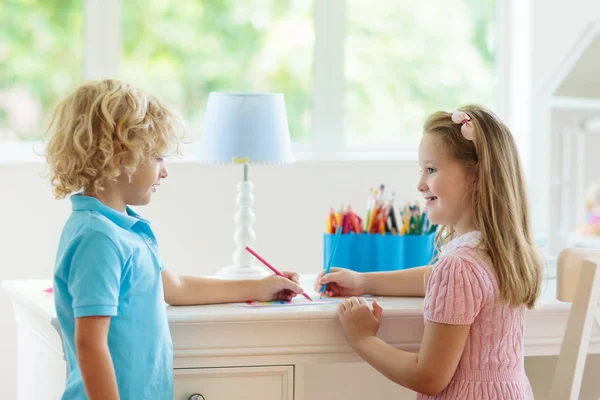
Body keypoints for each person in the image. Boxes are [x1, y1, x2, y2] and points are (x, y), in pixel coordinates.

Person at [44, 79, 305, 400]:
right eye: (157, 158)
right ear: (118, 156)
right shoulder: (98, 238)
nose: (164, 172)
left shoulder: (126, 229)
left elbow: (177, 288)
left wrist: (261, 287)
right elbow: (90, 345)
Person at [315, 105, 542, 399]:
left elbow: (428, 377)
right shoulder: (501, 254)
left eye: (431, 169)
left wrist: (362, 339)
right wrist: (363, 281)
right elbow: (436, 278)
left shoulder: (460, 266)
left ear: (477, 176)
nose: (420, 184)